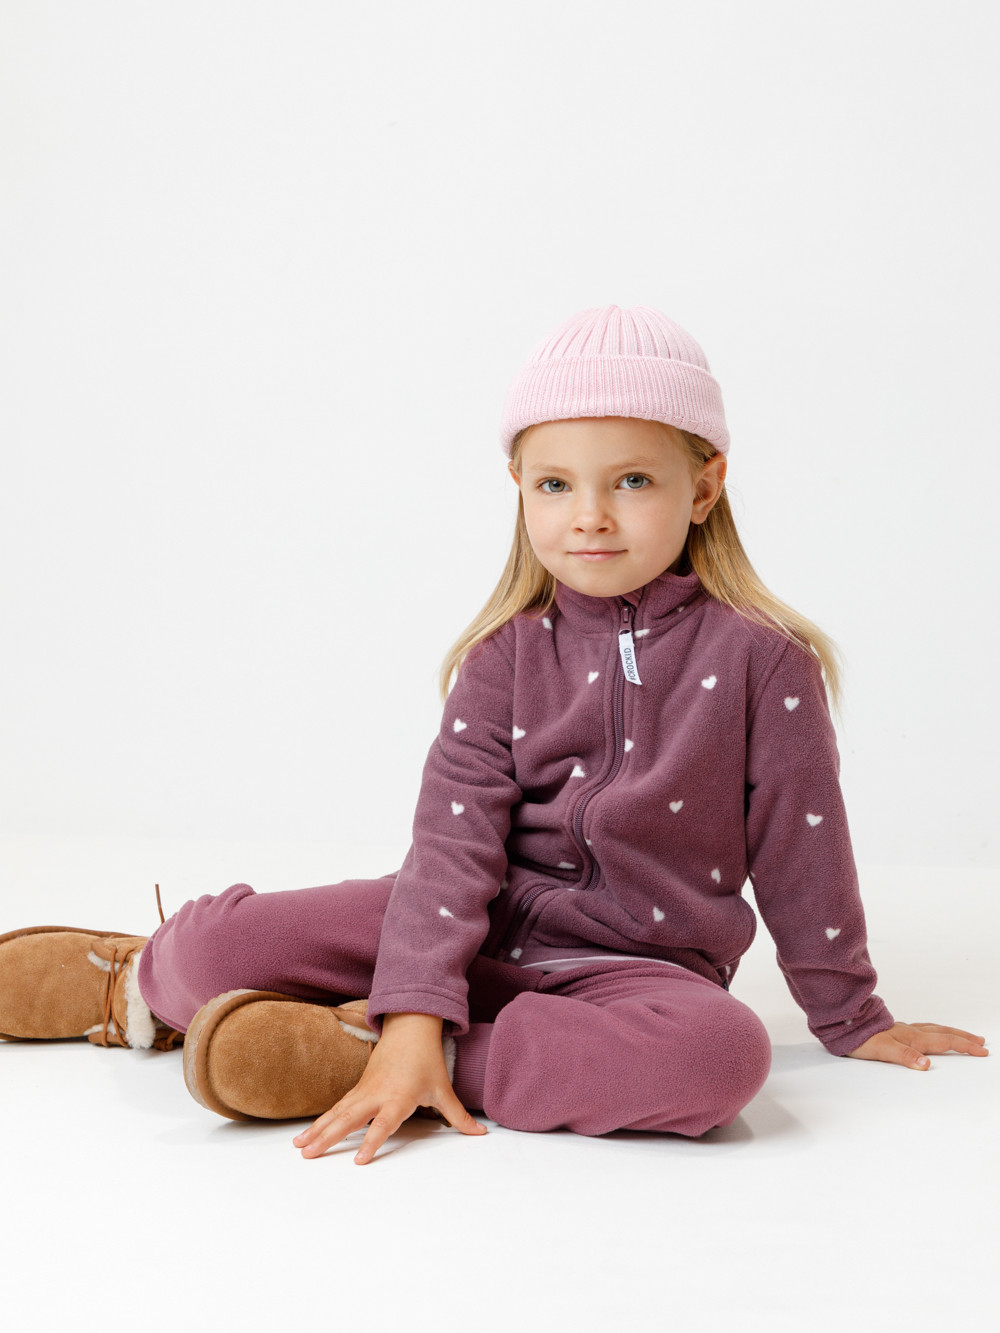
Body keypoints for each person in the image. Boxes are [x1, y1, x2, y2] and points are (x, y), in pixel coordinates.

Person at [1, 304, 987, 1165]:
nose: (589, 516)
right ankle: (133, 986)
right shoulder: (504, 658)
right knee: (217, 952)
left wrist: (850, 1014)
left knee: (719, 1060)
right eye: (554, 484)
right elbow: (451, 844)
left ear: (704, 485)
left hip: (638, 970)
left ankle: (372, 1053)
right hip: (462, 920)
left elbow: (805, 851)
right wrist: (419, 987)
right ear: (517, 483)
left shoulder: (765, 664)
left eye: (631, 480)